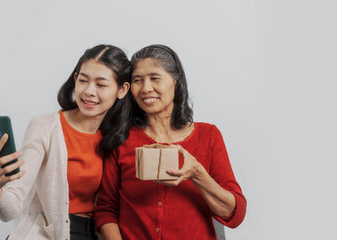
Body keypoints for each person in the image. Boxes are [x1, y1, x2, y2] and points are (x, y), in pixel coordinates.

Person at [94, 44, 247, 240]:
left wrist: (197, 173)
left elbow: (235, 215)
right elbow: (107, 209)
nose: (146, 88)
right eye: (137, 80)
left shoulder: (208, 135)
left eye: (155, 78)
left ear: (175, 82)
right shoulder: (122, 139)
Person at [0, 44, 132, 240]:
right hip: (44, 234)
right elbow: (10, 209)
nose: (89, 91)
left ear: (122, 90)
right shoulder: (45, 127)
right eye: (83, 80)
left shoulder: (121, 138)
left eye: (101, 84)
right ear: (75, 79)